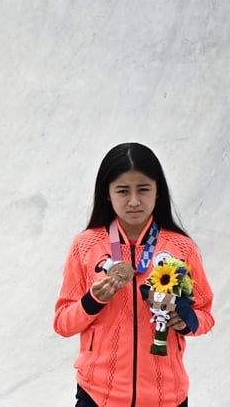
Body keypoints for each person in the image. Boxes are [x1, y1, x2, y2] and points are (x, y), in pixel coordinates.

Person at [53, 143, 214, 407]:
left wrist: (185, 321)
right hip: (98, 395)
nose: (134, 201)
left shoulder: (181, 248)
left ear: (157, 190)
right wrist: (92, 300)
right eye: (123, 191)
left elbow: (205, 316)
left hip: (167, 397)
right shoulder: (86, 246)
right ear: (107, 193)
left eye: (143, 189)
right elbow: (62, 324)